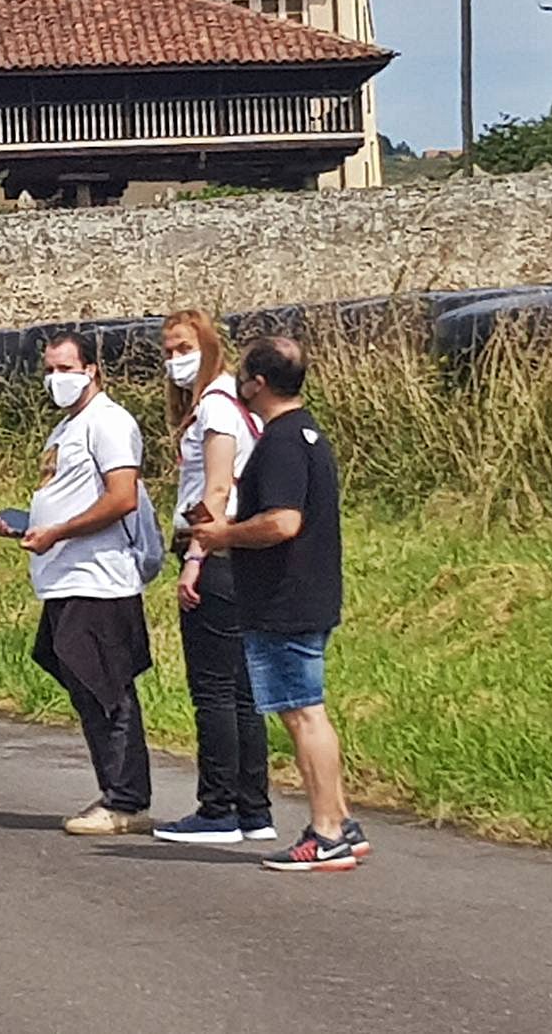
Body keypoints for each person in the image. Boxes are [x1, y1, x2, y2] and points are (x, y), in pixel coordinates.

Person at [193, 336, 371, 871]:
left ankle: (326, 831)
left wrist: (222, 535)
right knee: (307, 709)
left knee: (303, 713)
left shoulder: (281, 442)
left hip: (284, 599)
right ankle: (340, 818)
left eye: (244, 376)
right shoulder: (310, 434)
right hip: (310, 592)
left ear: (258, 383)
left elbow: (282, 522)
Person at [0, 331, 154, 835]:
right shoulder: (66, 428)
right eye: (50, 369)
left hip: (98, 578)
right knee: (82, 681)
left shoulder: (108, 422)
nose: (56, 378)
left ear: (91, 372)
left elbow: (121, 496)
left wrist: (59, 530)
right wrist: (31, 524)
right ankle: (115, 788)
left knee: (106, 686)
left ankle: (126, 798)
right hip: (64, 575)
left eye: (66, 368)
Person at [152, 310, 276, 846]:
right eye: (167, 352)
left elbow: (218, 491)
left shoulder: (217, 409)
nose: (174, 361)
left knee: (215, 689)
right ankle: (254, 806)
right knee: (243, 690)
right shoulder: (238, 407)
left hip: (215, 551)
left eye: (183, 348)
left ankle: (218, 806)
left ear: (208, 346)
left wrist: (198, 554)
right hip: (240, 557)